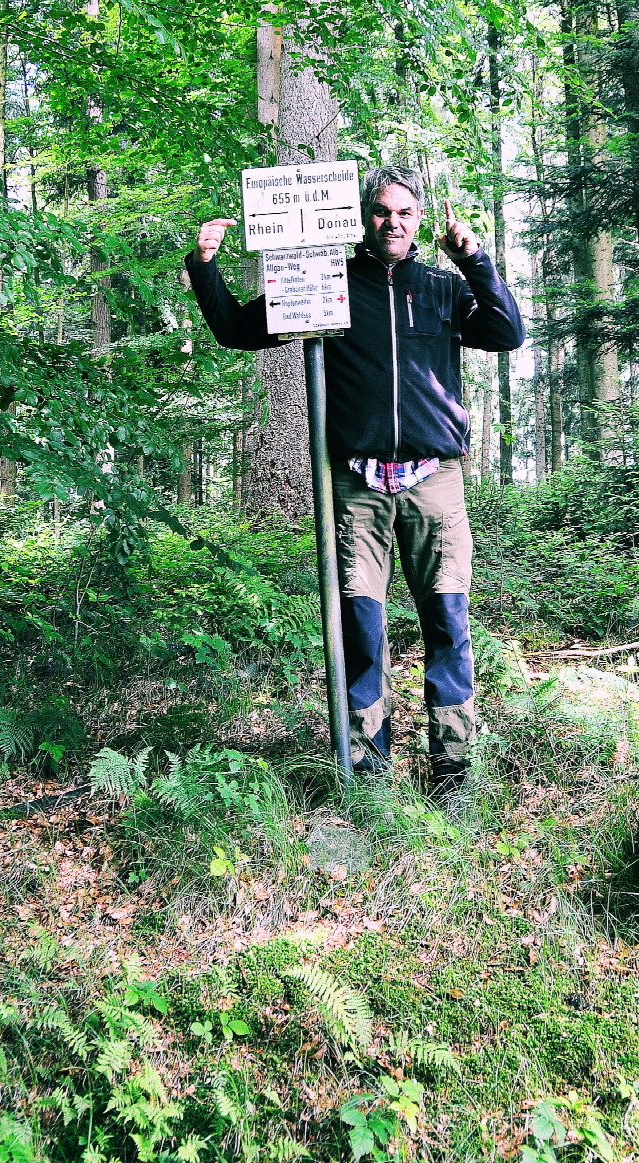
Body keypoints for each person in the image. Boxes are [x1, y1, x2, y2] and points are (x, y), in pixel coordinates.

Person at [185, 164, 524, 795]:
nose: (392, 222)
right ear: (362, 217)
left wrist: (473, 258)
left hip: (434, 482)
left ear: (419, 219)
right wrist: (205, 266)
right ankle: (369, 770)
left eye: (405, 213)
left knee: (448, 624)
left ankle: (452, 769)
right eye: (380, 212)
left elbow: (507, 332)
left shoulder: (443, 288)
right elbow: (236, 330)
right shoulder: (327, 284)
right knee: (361, 628)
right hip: (357, 486)